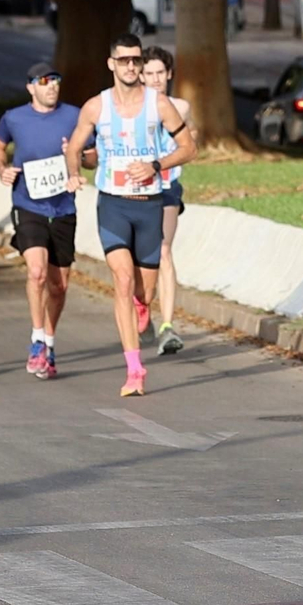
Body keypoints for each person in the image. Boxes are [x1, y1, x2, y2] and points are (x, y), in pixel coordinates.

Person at [65, 34, 196, 397]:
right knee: (121, 281)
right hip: (113, 204)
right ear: (111, 64)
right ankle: (135, 369)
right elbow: (75, 147)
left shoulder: (159, 105)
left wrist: (156, 164)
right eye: (123, 61)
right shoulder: (96, 107)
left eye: (136, 60)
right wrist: (75, 172)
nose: (131, 67)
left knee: (144, 290)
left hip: (150, 204)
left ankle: (143, 306)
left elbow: (189, 148)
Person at [0, 63, 80, 380]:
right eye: (44, 82)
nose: (51, 87)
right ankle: (37, 339)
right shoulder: (14, 117)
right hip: (28, 204)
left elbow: (94, 155)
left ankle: (51, 343)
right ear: (31, 87)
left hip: (63, 206)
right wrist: (1, 168)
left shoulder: (74, 116)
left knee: (59, 285)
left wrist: (78, 156)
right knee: (37, 271)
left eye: (55, 80)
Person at [141, 46, 192, 357]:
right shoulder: (130, 109)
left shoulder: (180, 107)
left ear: (169, 74)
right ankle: (142, 306)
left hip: (167, 186)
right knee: (138, 258)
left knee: (163, 250)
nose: (156, 79)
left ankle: (168, 325)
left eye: (161, 73)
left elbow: (182, 135)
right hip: (134, 189)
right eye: (149, 73)